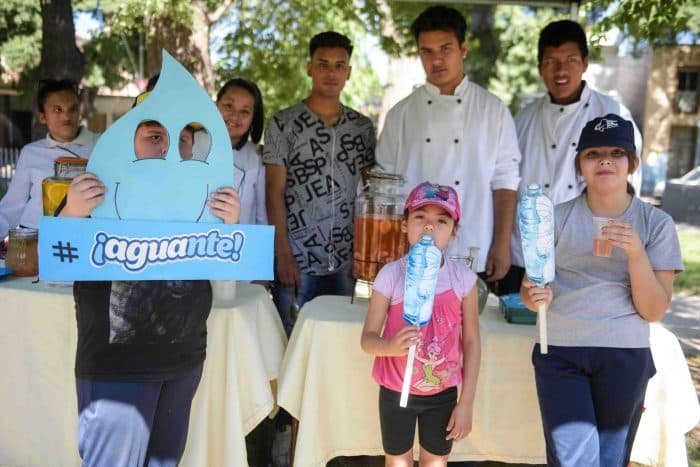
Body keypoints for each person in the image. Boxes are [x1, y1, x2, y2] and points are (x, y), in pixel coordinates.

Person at [58, 93, 242, 467]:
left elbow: (226, 280)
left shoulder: (206, 201)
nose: (169, 148)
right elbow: (57, 265)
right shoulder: (96, 193)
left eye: (182, 139)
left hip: (183, 360)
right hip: (116, 366)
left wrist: (230, 229)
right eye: (155, 136)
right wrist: (73, 213)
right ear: (128, 139)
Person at [520, 114, 682, 467]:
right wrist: (532, 295)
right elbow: (529, 289)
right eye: (593, 153)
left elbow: (654, 311)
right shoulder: (554, 218)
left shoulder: (657, 225)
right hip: (559, 349)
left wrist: (636, 253)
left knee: (611, 460)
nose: (605, 160)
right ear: (579, 165)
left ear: (632, 163)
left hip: (625, 352)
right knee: (573, 459)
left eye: (616, 152)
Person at [375, 5, 521, 291]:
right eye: (426, 51)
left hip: (473, 247)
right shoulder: (401, 114)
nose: (436, 60)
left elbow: (505, 181)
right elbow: (385, 188)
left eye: (445, 48)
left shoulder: (493, 110)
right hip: (410, 253)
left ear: (463, 49)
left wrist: (502, 244)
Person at [504, 19, 644, 294]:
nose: (560, 70)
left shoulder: (612, 113)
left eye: (570, 59)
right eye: (551, 61)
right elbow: (507, 182)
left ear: (585, 63)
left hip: (586, 258)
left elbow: (630, 187)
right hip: (524, 256)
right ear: (539, 67)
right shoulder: (523, 119)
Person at [361, 181, 480, 466]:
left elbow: (472, 342)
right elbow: (367, 339)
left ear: (454, 231)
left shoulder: (463, 280)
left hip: (443, 393)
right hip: (395, 390)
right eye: (420, 218)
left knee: (435, 462)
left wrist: (466, 403)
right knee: (397, 461)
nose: (429, 227)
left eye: (441, 220)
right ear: (404, 225)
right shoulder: (390, 275)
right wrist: (390, 346)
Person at [263, 31, 376, 334]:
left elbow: (370, 196)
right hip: (297, 259)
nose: (331, 72)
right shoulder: (282, 124)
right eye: (323, 64)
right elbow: (273, 192)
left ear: (349, 73)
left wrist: (363, 256)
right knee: (291, 342)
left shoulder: (362, 128)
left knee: (340, 340)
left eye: (340, 65)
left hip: (345, 260)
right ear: (309, 67)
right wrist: (282, 254)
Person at [0, 78, 98, 238]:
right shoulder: (31, 152)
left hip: (85, 237)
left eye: (72, 109)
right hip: (35, 236)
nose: (67, 115)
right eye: (58, 110)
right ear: (43, 117)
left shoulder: (100, 146)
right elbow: (12, 205)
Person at [216, 78, 267, 225]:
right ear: (215, 105)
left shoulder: (258, 157)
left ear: (253, 119)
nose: (235, 116)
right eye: (228, 106)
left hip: (241, 244)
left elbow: (262, 218)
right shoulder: (192, 146)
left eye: (245, 111)